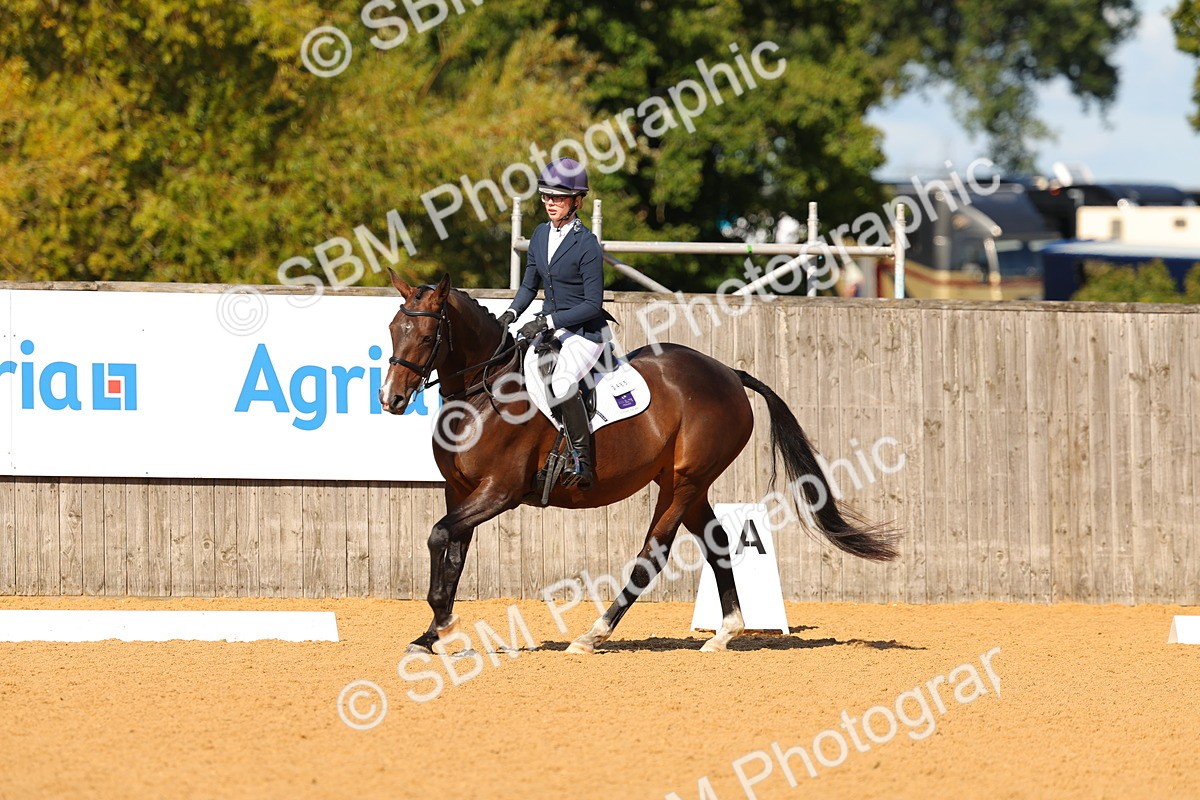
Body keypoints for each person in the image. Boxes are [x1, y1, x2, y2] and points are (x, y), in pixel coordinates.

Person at [497, 157, 613, 490]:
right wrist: (512, 313)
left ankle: (582, 458)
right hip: (552, 328)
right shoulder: (538, 234)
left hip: (586, 332)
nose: (550, 203)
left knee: (562, 383)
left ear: (576, 202)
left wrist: (546, 320)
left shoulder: (586, 244)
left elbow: (593, 304)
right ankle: (550, 446)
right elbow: (528, 285)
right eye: (547, 196)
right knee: (524, 373)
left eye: (559, 198)